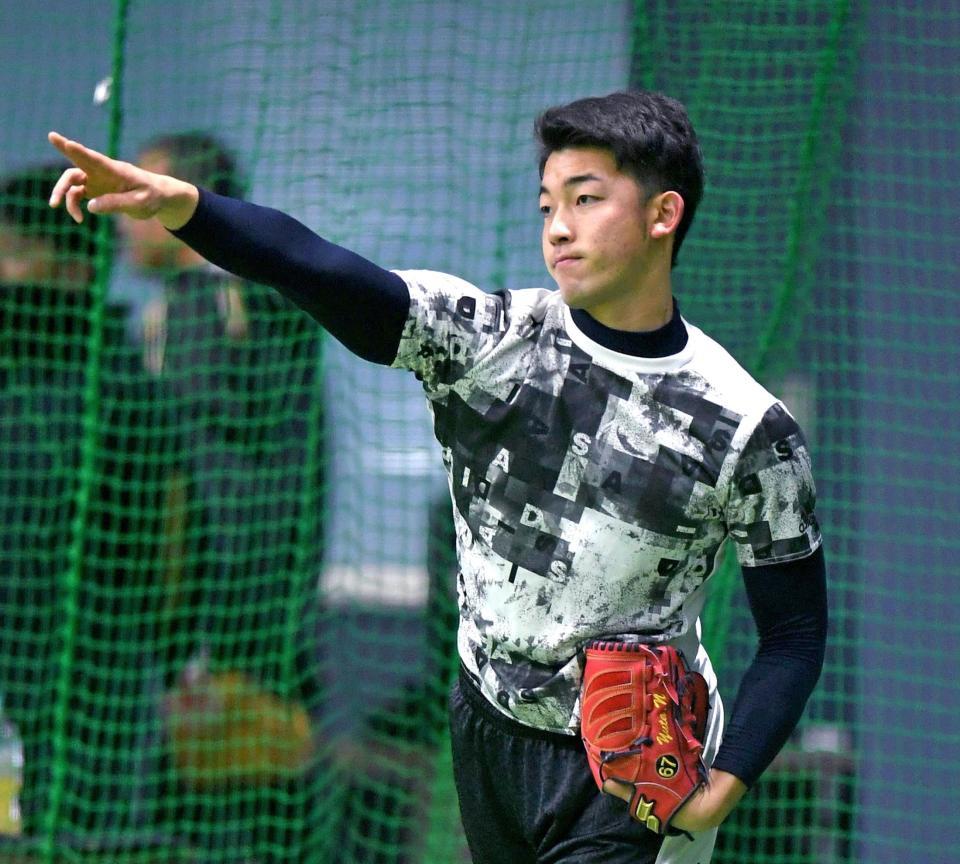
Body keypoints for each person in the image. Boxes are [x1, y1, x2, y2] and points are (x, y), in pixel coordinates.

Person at [47, 88, 828, 864]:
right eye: (548, 204)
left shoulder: (748, 427)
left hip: (626, 777)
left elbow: (793, 635)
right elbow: (316, 266)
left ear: (663, 214)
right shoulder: (489, 341)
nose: (559, 226)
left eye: (586, 200)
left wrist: (724, 785)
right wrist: (184, 207)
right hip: (486, 731)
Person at [115, 131, 326, 864]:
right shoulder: (252, 298)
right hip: (255, 621)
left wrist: (195, 635)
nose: (121, 219)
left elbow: (213, 482)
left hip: (222, 631)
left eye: (136, 196)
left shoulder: (209, 309)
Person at [0, 162, 169, 852]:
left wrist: (173, 642)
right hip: (38, 650)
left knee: (79, 826)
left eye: (14, 254)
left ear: (72, 267)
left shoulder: (114, 381)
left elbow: (167, 524)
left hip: (89, 656)